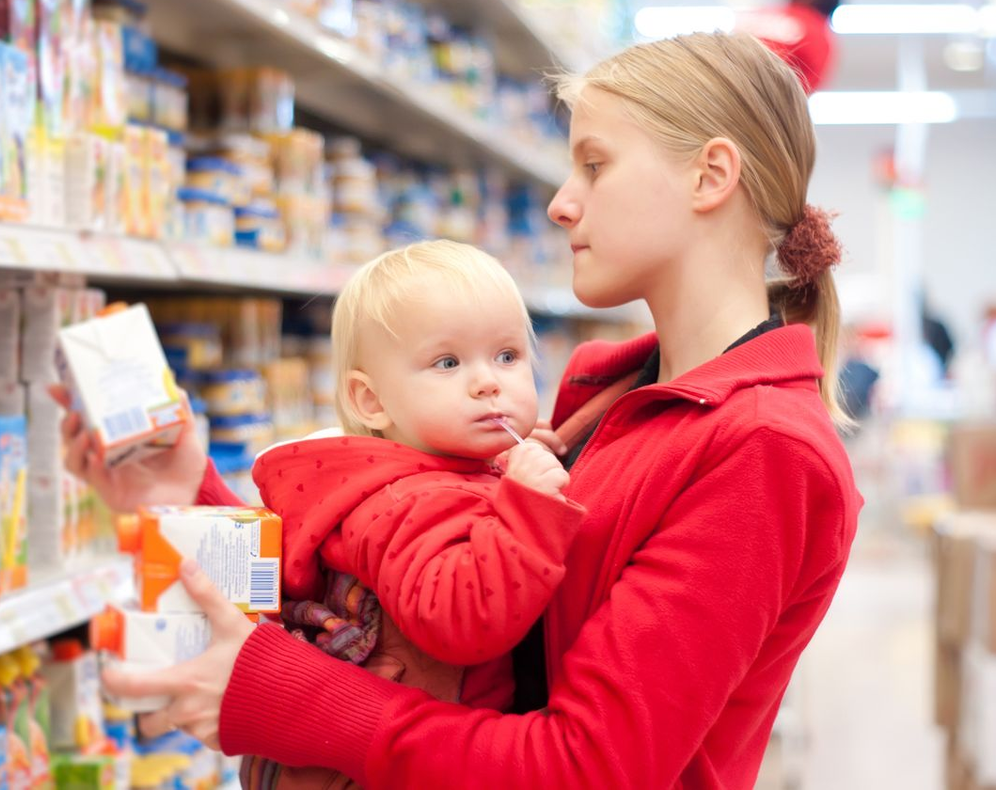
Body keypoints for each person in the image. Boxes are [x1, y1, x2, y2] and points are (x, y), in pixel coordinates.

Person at [59, 32, 863, 788]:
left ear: (709, 175)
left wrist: (283, 695)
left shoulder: (763, 449)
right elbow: (387, 588)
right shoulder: (608, 398)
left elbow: (583, 768)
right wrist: (184, 495)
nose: (560, 203)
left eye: (594, 164)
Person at [240, 239, 585, 788]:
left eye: (508, 356)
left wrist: (496, 462)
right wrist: (527, 509)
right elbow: (462, 620)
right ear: (371, 402)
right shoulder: (403, 500)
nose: (488, 381)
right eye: (447, 362)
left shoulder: (431, 474)